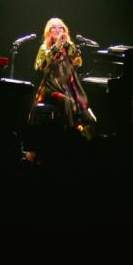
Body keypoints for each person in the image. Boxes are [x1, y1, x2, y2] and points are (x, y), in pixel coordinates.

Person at [25, 17, 95, 164]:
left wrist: (67, 44)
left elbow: (78, 62)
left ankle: (85, 138)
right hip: (51, 88)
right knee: (67, 101)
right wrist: (56, 47)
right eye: (54, 28)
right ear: (48, 32)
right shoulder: (44, 48)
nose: (58, 30)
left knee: (82, 102)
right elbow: (41, 66)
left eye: (60, 28)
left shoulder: (69, 46)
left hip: (68, 86)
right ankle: (72, 134)